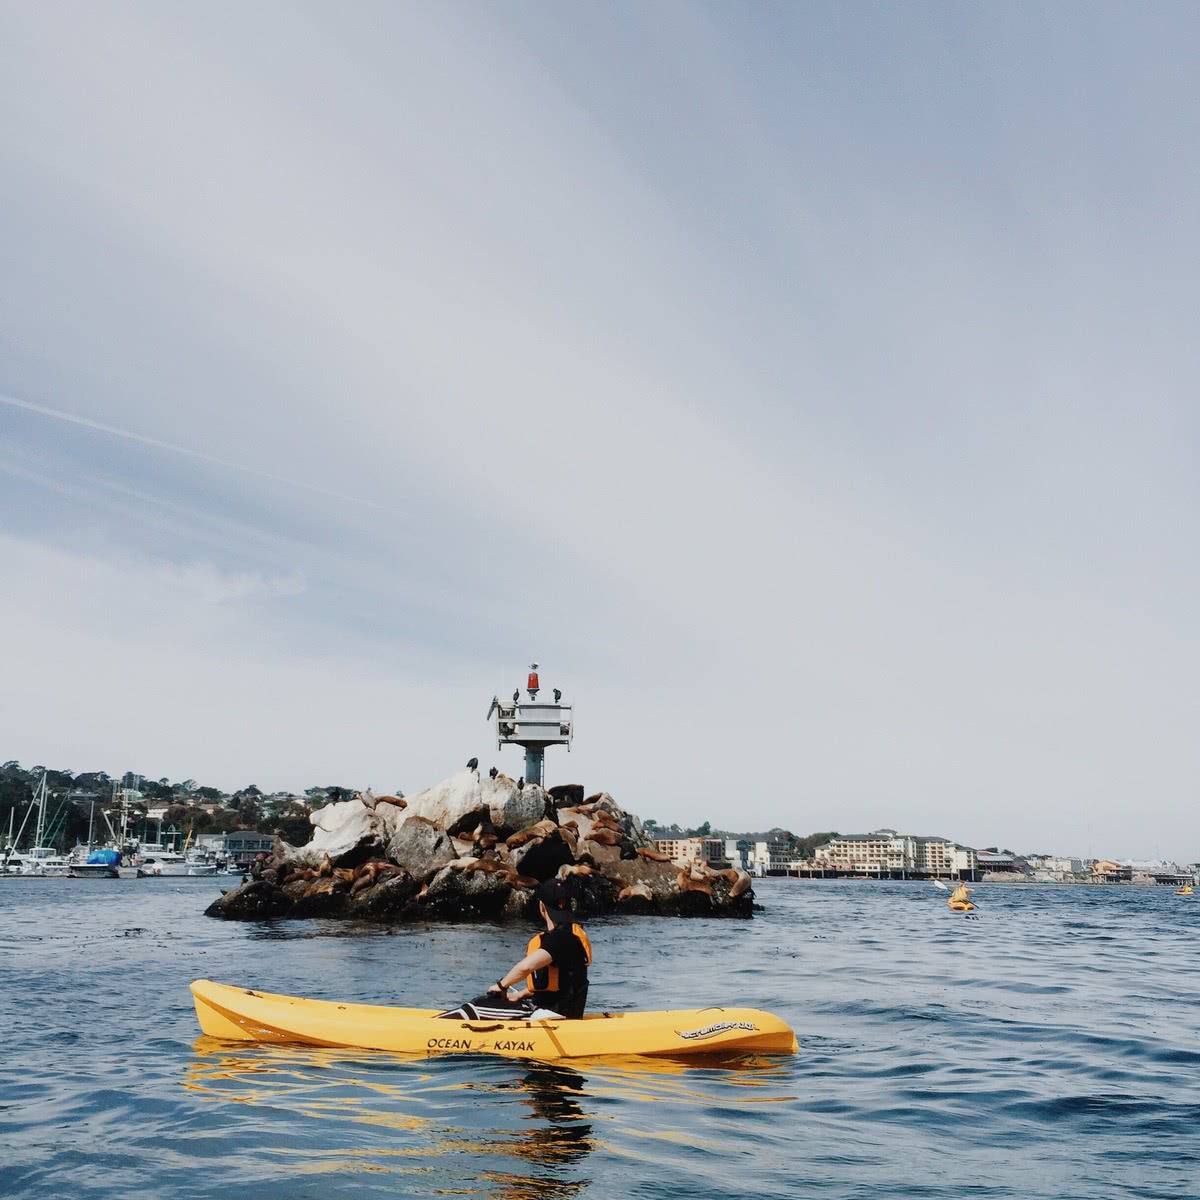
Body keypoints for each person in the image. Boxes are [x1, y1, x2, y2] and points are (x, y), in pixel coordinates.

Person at [488, 879, 592, 1019]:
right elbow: (560, 983)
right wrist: (520, 994)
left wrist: (501, 986)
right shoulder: (570, 934)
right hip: (555, 1010)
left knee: (478, 1007)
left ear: (542, 906)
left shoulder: (560, 938)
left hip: (551, 1014)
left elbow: (525, 967)